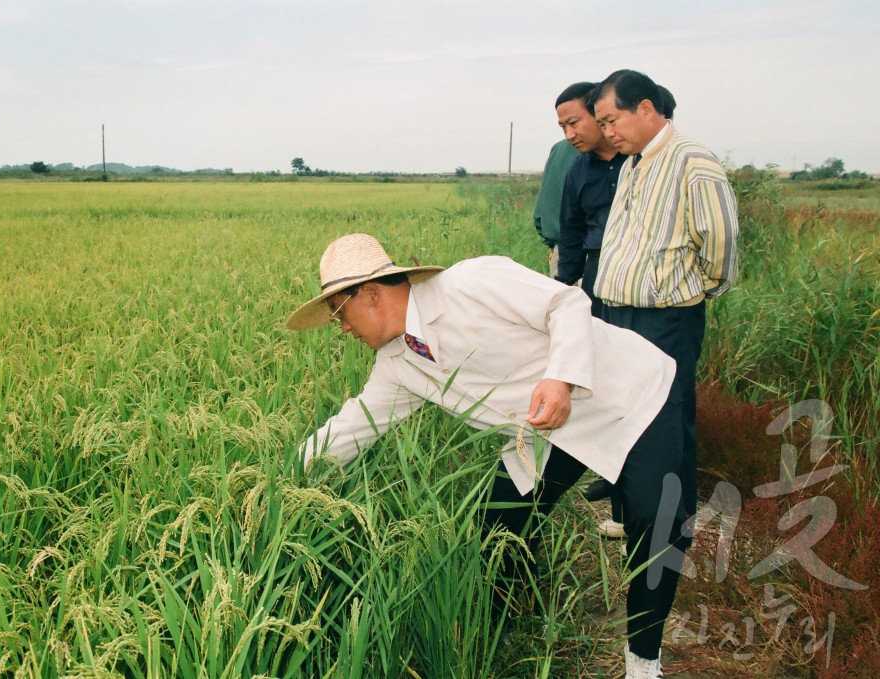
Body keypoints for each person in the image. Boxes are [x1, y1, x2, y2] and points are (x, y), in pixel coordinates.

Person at [288, 233, 689, 678]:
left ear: (370, 293)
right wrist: (282, 476)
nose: (343, 328)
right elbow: (352, 427)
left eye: (340, 313)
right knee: (498, 524)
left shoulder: (472, 283)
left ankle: (643, 663)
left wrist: (560, 378)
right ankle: (508, 631)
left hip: (626, 396)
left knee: (658, 526)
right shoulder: (398, 363)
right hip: (546, 431)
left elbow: (567, 304)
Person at [591, 70, 739, 530]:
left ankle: (671, 526)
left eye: (612, 120)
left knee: (666, 421)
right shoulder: (634, 163)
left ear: (646, 109)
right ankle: (633, 515)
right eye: (603, 123)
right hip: (619, 315)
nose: (608, 132)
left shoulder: (692, 160)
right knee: (624, 413)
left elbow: (721, 240)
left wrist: (692, 290)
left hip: (664, 320)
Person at [553, 81, 630, 537]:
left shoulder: (639, 164)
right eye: (562, 126)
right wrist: (563, 296)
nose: (570, 133)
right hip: (598, 284)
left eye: (574, 122)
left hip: (642, 290)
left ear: (601, 115)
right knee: (604, 390)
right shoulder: (578, 173)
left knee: (637, 390)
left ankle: (641, 508)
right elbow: (572, 235)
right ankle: (619, 502)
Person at [532, 139, 579, 279]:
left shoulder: (558, 148)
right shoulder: (608, 146)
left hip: (560, 253)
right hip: (591, 254)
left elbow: (539, 214)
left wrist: (553, 245)